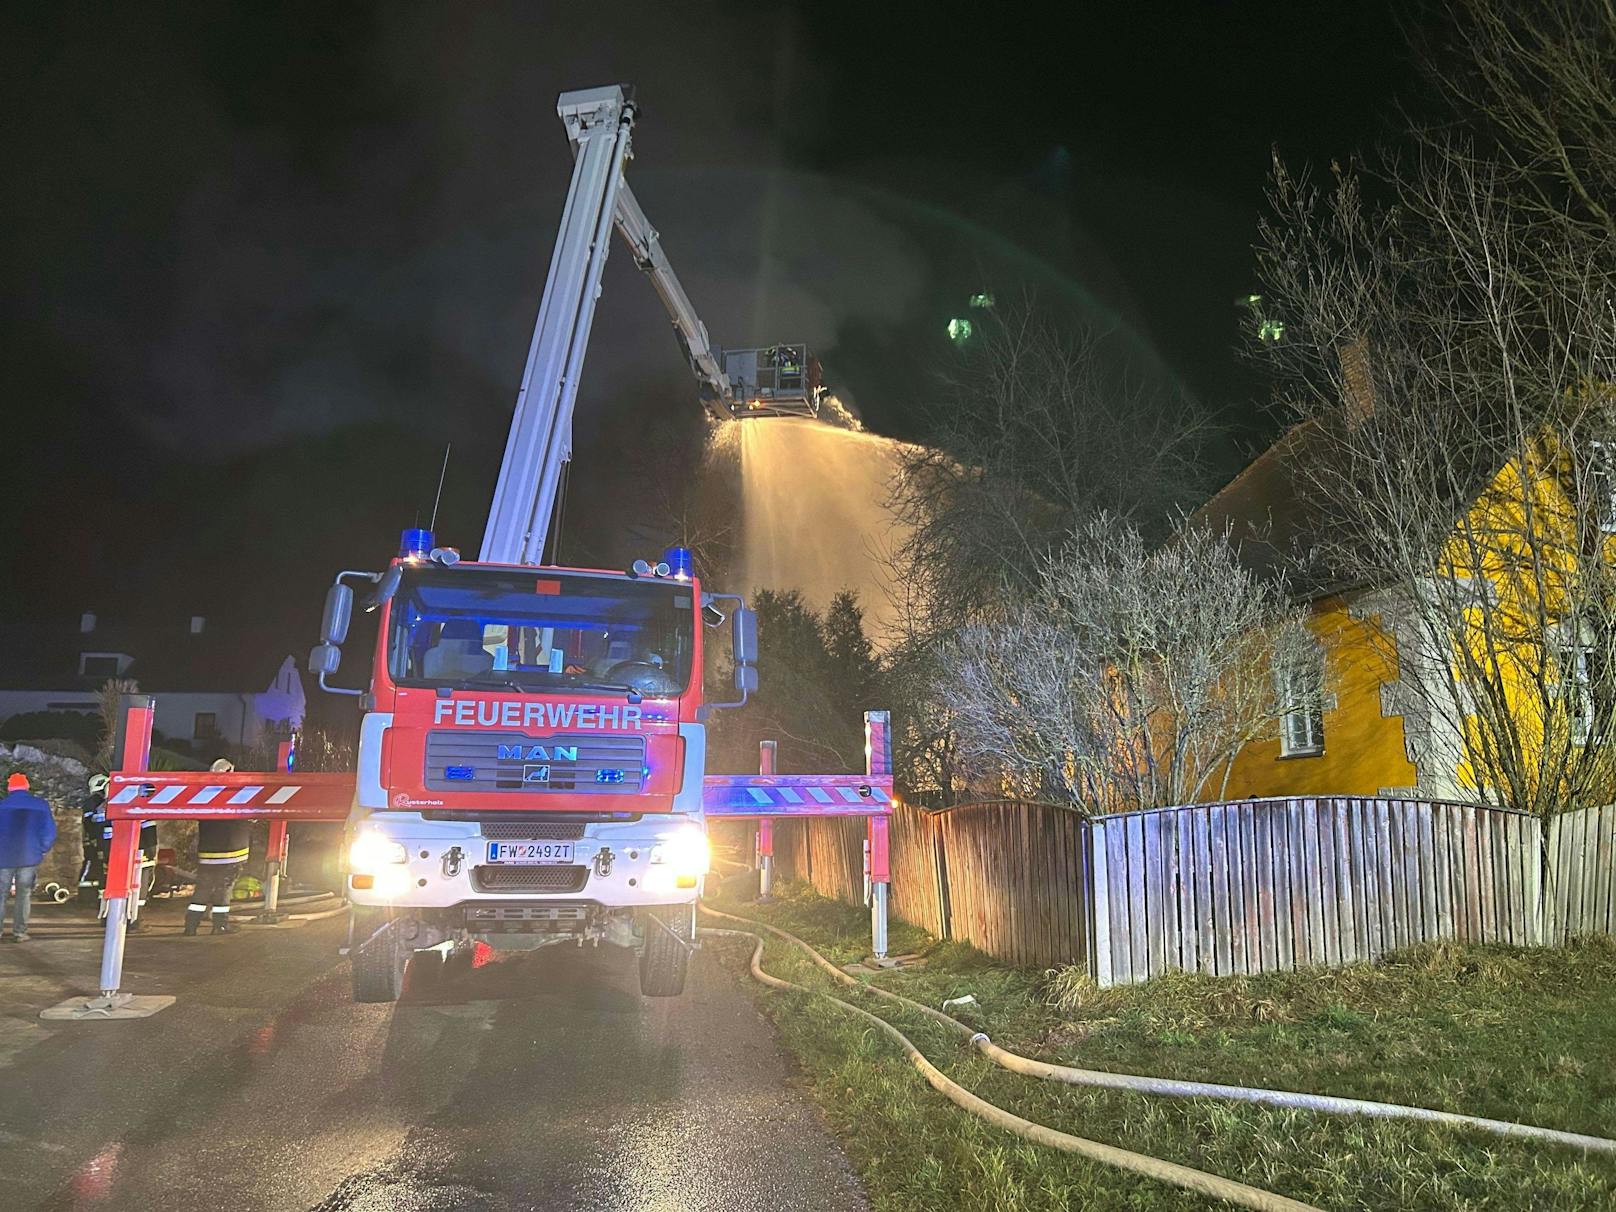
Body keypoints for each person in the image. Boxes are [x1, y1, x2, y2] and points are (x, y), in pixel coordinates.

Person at [186, 758, 251, 936]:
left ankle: (191, 926)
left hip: (208, 852)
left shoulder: (204, 794)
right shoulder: (239, 793)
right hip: (232, 852)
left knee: (203, 888)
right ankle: (220, 925)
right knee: (224, 888)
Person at [0, 772, 58, 943]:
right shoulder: (41, 806)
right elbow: (49, 832)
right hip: (29, 856)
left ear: (10, 788)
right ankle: (20, 932)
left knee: (1, 894)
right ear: (27, 786)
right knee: (24, 894)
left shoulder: (2, 806)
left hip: (3, 857)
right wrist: (40, 849)